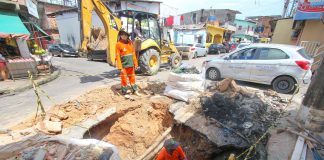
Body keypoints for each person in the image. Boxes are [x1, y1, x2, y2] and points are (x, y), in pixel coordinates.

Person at [115, 30, 140, 95]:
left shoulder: (130, 43)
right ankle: (124, 92)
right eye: (122, 34)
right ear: (120, 35)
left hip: (131, 65)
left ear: (127, 36)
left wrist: (136, 64)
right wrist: (120, 67)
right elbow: (117, 56)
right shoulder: (118, 44)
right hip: (124, 66)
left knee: (132, 78)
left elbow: (133, 54)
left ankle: (135, 90)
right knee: (124, 79)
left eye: (125, 35)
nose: (124, 36)